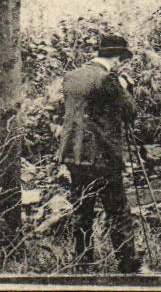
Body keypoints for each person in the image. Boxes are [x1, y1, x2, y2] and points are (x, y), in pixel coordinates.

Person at [57, 33, 141, 273]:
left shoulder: (71, 76)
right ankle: (128, 263)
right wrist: (126, 87)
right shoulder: (109, 79)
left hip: (74, 154)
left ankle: (83, 261)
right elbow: (130, 112)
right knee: (118, 210)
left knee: (82, 210)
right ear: (117, 59)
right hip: (102, 157)